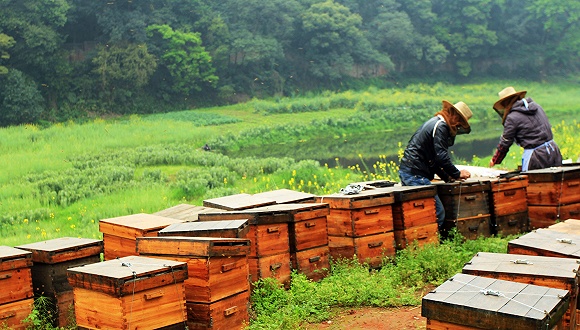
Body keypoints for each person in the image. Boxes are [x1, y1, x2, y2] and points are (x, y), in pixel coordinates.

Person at [398, 100, 473, 229]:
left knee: (422, 212)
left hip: (411, 171)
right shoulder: (441, 126)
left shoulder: (436, 123)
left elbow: (433, 160)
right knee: (437, 212)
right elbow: (442, 157)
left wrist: (448, 177)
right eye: (460, 122)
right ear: (455, 116)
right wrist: (457, 173)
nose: (458, 126)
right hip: (416, 175)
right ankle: (429, 242)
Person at [489, 86, 562, 171]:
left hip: (536, 157)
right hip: (554, 151)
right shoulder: (537, 107)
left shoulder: (512, 118)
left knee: (535, 183)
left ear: (506, 103)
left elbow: (505, 143)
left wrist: (495, 160)